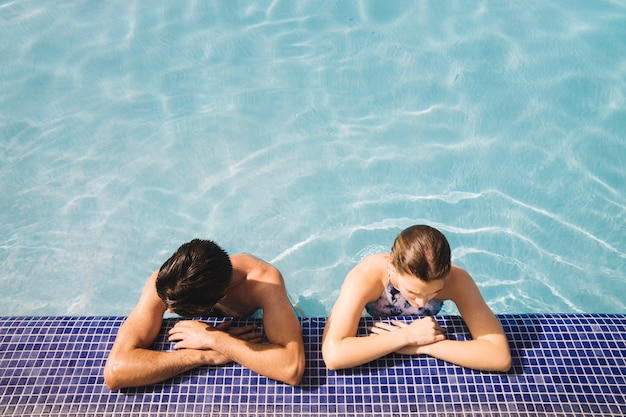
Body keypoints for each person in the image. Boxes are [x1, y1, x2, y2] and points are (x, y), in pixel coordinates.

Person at [104, 239, 305, 390]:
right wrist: (201, 355)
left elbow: (291, 368)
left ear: (223, 297)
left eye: (179, 310)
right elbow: (115, 371)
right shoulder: (169, 283)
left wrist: (213, 338)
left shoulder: (263, 282)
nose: (170, 311)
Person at [322, 225, 511, 372]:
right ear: (393, 265)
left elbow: (499, 356)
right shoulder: (367, 276)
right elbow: (334, 354)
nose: (421, 302)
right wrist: (406, 336)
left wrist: (424, 347)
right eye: (412, 292)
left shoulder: (457, 280)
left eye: (433, 292)